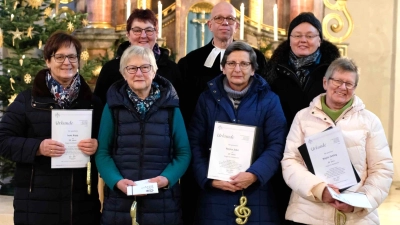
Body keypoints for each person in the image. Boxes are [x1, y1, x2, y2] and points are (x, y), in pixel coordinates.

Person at [177, 3, 267, 223]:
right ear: (209, 24)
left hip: (247, 154)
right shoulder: (190, 62)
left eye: (230, 19)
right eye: (219, 19)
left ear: (237, 24)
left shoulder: (257, 58)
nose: (225, 23)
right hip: (203, 152)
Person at [0, 31, 102, 225]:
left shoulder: (92, 102)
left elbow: (110, 143)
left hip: (80, 205)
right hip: (37, 204)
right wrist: (38, 148)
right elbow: (3, 140)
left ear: (79, 61)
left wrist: (97, 145)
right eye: (60, 56)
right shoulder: (27, 100)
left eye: (72, 57)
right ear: (48, 61)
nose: (67, 62)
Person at [281, 57, 393, 225]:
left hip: (356, 218)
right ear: (325, 82)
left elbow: (382, 169)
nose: (342, 87)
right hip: (308, 214)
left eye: (349, 84)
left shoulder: (370, 121)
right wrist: (319, 190)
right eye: (338, 81)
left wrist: (358, 201)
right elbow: (290, 161)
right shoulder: (303, 117)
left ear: (355, 88)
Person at [188, 41, 287, 225]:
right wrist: (209, 179)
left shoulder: (270, 100)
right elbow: (194, 143)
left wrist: (255, 174)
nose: (237, 69)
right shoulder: (206, 99)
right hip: (214, 196)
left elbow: (277, 144)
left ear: (253, 69)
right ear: (223, 68)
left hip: (258, 193)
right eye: (231, 63)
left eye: (244, 64)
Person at [95, 45, 191, 225]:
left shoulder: (171, 108)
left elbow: (183, 153)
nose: (139, 73)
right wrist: (116, 181)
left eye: (145, 67)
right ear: (124, 73)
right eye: (132, 68)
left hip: (162, 202)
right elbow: (103, 153)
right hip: (120, 203)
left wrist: (166, 179)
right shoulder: (112, 108)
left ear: (154, 71)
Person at [265, 12, 341, 223]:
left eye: (309, 35)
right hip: (281, 149)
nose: (303, 40)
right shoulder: (272, 70)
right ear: (289, 39)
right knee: (282, 211)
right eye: (297, 35)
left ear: (320, 39)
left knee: (313, 211)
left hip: (320, 152)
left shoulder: (333, 71)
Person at [94, 8, 181, 105]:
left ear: (156, 34)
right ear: (128, 34)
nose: (143, 36)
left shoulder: (172, 69)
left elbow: (180, 107)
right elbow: (100, 108)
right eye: (137, 30)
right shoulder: (110, 69)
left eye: (149, 30)